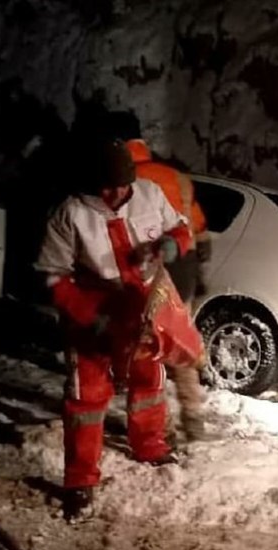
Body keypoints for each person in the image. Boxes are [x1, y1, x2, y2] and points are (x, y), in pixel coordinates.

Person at [35, 139, 193, 519]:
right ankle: (80, 480)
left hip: (142, 306)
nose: (116, 194)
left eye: (122, 185)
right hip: (92, 311)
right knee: (86, 397)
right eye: (106, 187)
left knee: (148, 380)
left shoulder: (150, 194)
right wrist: (89, 315)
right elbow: (53, 276)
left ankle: (149, 444)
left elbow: (181, 229)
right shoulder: (70, 214)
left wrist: (173, 245)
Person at [124, 137, 211, 442]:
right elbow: (198, 226)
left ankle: (162, 424)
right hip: (184, 267)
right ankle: (193, 414)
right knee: (180, 341)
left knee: (150, 348)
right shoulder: (178, 178)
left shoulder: (128, 180)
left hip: (150, 267)